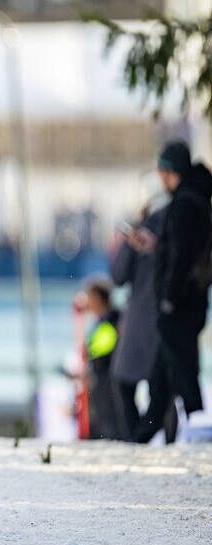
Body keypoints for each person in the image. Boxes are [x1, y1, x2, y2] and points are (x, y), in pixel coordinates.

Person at [134, 140, 212, 444]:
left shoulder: (184, 205)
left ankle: (198, 427)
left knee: (182, 370)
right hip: (188, 302)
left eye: (162, 172)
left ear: (171, 172)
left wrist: (168, 298)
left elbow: (181, 257)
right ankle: (143, 434)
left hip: (179, 306)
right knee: (162, 376)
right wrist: (157, 246)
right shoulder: (195, 200)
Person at [109, 203, 167, 440]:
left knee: (136, 383)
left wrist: (130, 245)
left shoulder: (148, 228)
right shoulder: (180, 222)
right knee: (160, 387)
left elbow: (118, 275)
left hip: (148, 317)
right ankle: (147, 435)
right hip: (162, 317)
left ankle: (139, 436)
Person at [76, 278, 121, 439]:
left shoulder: (110, 320)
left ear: (97, 297)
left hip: (106, 380)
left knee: (110, 422)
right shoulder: (109, 319)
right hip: (103, 378)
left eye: (89, 296)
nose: (86, 301)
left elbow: (102, 351)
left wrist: (89, 364)